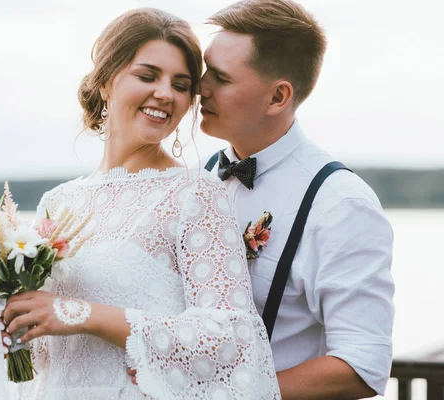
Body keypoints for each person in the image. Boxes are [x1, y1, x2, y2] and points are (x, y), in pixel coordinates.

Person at [0, 8, 281, 400]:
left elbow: (231, 341)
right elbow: (48, 357)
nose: (165, 94)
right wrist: (8, 312)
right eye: (148, 76)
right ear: (104, 83)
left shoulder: (196, 195)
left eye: (181, 85)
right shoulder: (57, 203)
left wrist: (81, 314)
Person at [195, 0, 395, 398]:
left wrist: (227, 395)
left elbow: (362, 364)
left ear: (277, 97)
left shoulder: (340, 204)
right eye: (204, 69)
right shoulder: (197, 178)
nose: (200, 87)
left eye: (220, 77)